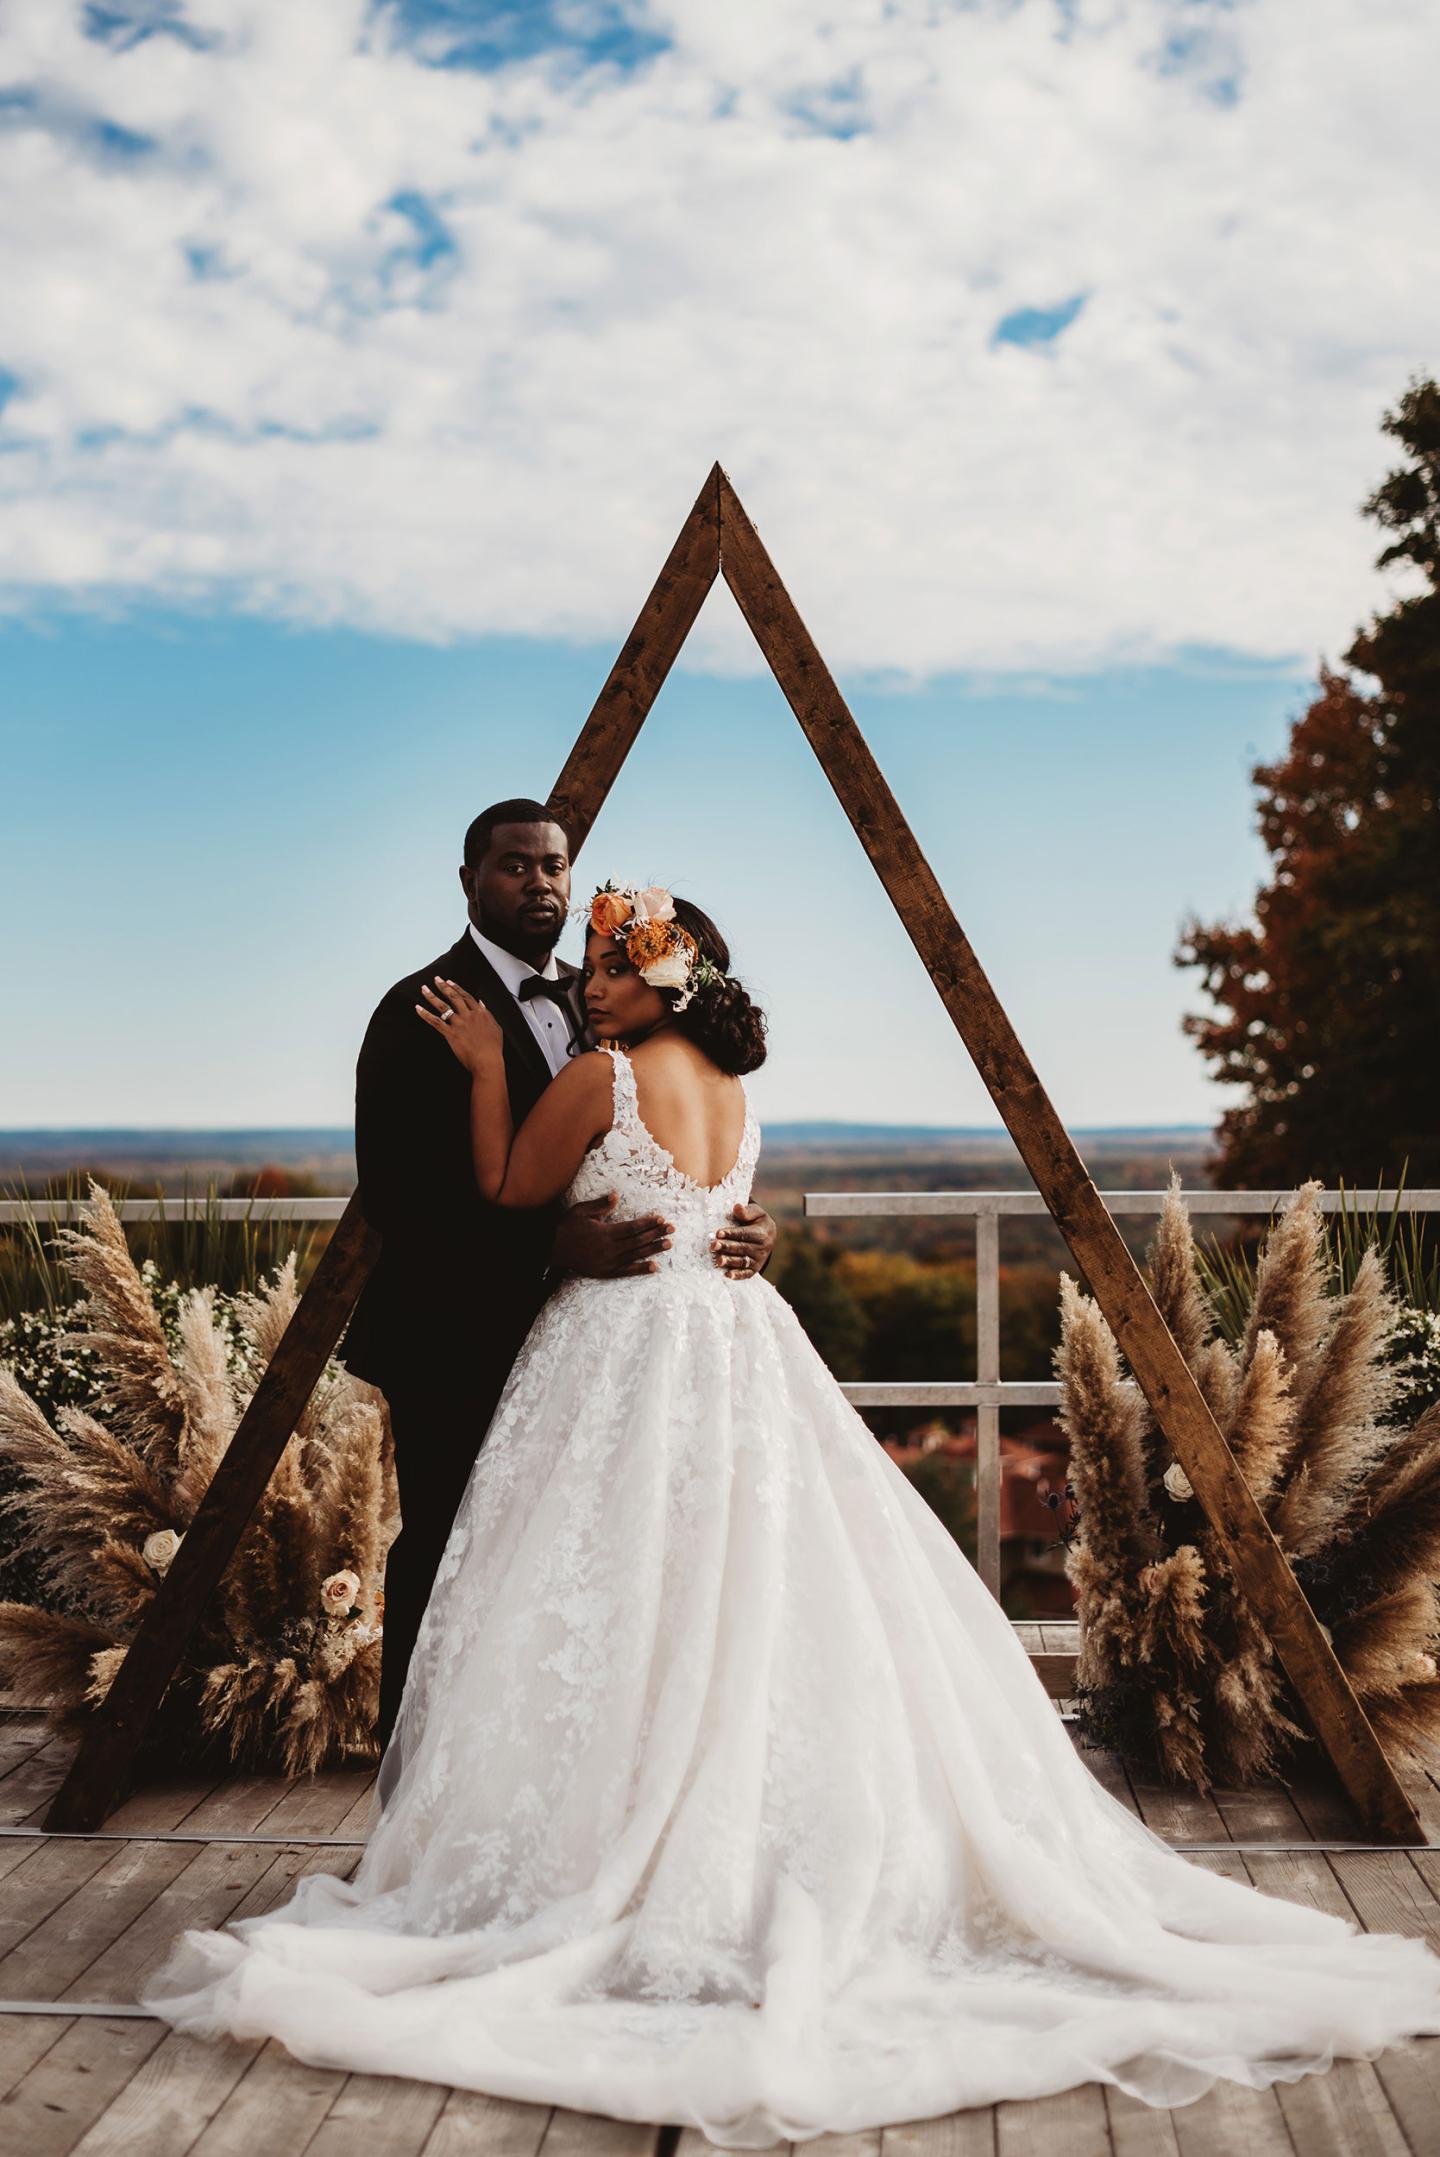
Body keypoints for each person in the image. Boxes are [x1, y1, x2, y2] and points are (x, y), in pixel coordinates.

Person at [142, 882, 1440, 2148]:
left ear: (656, 981)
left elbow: (500, 1186)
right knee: (742, 1573)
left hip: (619, 1348)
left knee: (608, 1575)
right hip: (737, 1341)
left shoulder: (602, 1078)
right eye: (590, 960)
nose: (588, 982)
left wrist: (489, 1060)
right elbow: (713, 1212)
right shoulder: (738, 1093)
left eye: (608, 964)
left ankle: (622, 1825)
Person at [340, 802, 776, 1743]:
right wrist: (547, 1246)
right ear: (469, 881)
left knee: (584, 1564)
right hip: (458, 1335)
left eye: (556, 866)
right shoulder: (421, 1007)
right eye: (514, 866)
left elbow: (668, 1149)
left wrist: (747, 1227)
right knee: (456, 1554)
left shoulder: (608, 996)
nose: (540, 883)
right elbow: (400, 1198)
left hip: (605, 1351)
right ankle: (413, 1773)